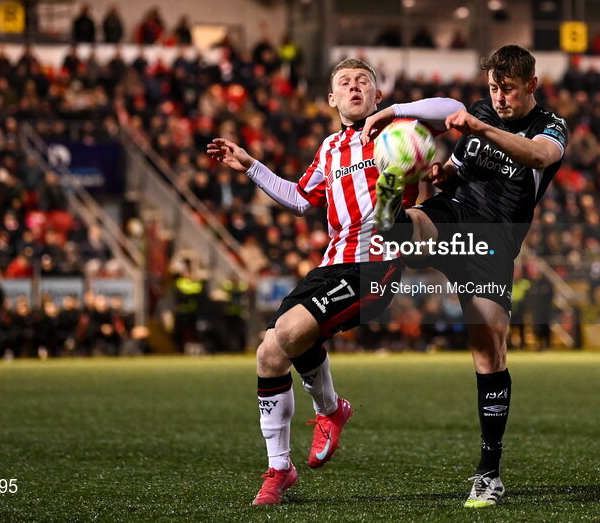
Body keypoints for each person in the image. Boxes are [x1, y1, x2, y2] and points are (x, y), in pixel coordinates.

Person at [207, 58, 462, 506]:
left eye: (364, 81)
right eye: (344, 82)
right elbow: (301, 199)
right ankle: (282, 467)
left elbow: (453, 107)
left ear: (377, 95)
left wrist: (398, 111)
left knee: (287, 335)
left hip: (376, 264)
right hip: (330, 266)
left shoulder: (398, 128)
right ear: (332, 99)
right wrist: (251, 166)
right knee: (269, 354)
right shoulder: (329, 149)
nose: (354, 87)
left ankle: (328, 410)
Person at [366, 44, 569, 507]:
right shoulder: (478, 112)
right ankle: (389, 203)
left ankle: (489, 472)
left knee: (489, 355)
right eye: (494, 88)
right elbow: (456, 172)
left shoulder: (549, 127)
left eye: (509, 89)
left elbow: (538, 157)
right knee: (411, 230)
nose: (499, 98)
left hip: (493, 243)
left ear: (531, 86)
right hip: (455, 215)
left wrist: (482, 126)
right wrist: (439, 172)